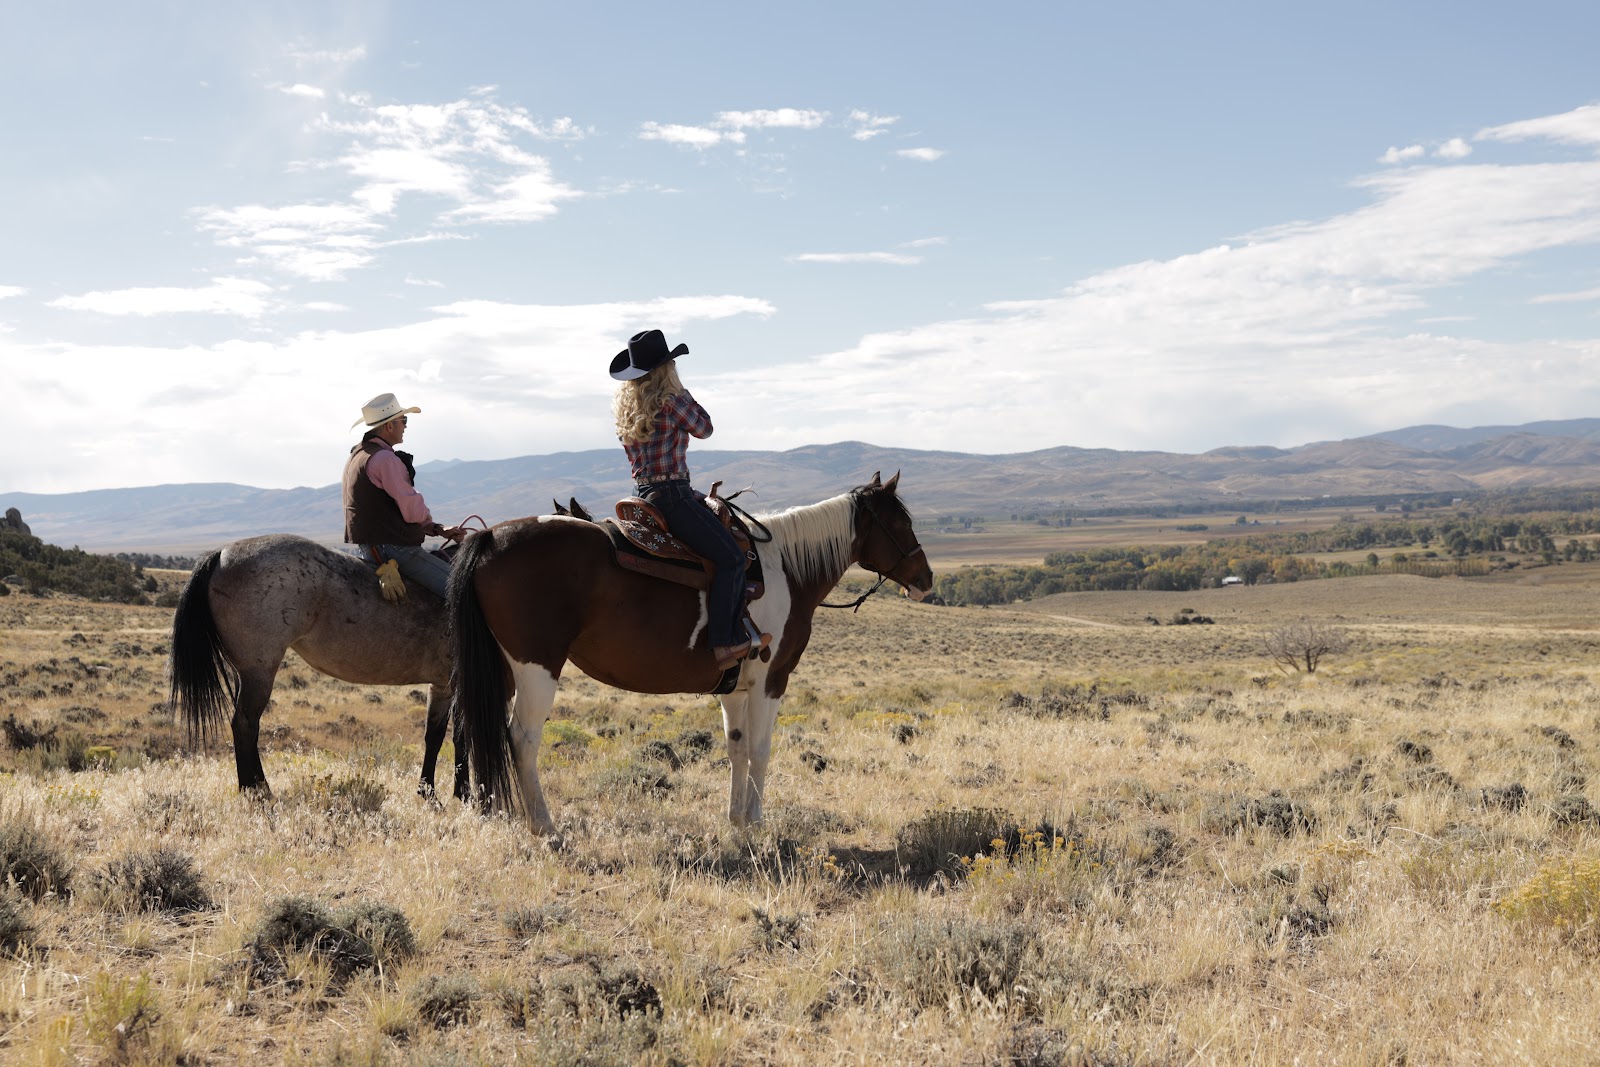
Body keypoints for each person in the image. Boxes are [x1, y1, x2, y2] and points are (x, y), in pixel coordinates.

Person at [610, 329, 762, 670]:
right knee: (731, 559)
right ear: (666, 369)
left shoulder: (628, 408)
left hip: (641, 495)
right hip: (672, 497)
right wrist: (684, 393)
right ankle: (725, 642)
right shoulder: (673, 401)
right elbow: (705, 428)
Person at [343, 392, 464, 599]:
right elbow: (411, 508)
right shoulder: (385, 459)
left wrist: (437, 529)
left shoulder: (357, 456)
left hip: (369, 549)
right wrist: (430, 523)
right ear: (389, 426)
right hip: (395, 550)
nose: (405, 426)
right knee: (464, 591)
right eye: (403, 420)